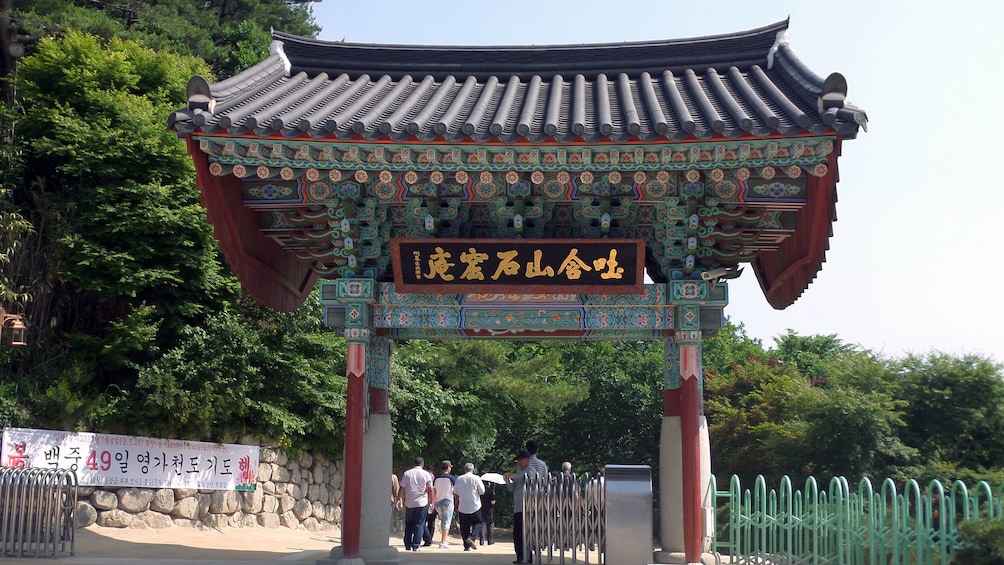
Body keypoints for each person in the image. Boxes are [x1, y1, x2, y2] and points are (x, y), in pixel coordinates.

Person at [505, 449, 540, 564]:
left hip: (528, 508)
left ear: (527, 460)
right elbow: (511, 488)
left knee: (526, 533)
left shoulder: (531, 471)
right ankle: (519, 556)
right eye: (518, 461)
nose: (519, 463)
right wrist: (507, 479)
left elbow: (528, 478)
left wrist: (514, 476)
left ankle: (527, 556)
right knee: (517, 533)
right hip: (518, 507)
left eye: (520, 460)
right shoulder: (518, 472)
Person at [396, 457, 434, 552]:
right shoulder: (426, 474)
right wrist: (432, 502)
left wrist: (399, 499)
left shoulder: (407, 473)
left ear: (414, 463)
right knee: (419, 524)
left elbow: (402, 487)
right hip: (422, 502)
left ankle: (407, 544)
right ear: (422, 464)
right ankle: (416, 545)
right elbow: (430, 489)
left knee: (408, 524)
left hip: (410, 502)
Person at [454, 462, 486, 551]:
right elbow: (482, 491)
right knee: (478, 523)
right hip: (474, 505)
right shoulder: (476, 478)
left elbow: (455, 492)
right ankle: (472, 538)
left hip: (463, 505)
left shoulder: (459, 479)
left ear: (464, 470)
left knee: (464, 526)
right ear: (473, 469)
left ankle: (466, 546)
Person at [432, 460, 457, 548]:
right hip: (448, 501)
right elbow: (455, 490)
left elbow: (434, 490)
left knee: (443, 520)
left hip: (438, 502)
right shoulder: (451, 478)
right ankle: (443, 542)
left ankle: (444, 540)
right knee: (446, 521)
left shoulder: (436, 478)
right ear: (448, 468)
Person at [478, 481, 496, 545]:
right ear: (489, 484)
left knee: (482, 525)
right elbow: (493, 502)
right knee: (489, 525)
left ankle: (481, 541)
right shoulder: (491, 491)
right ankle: (490, 541)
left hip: (481, 509)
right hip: (489, 510)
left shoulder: (480, 492)